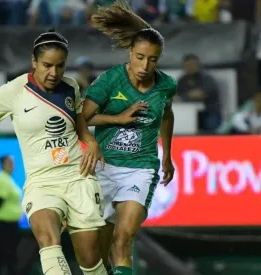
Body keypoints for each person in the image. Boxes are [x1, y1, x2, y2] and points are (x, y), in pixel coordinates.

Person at [0, 29, 109, 275]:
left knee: (90, 262)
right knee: (48, 240)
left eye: (60, 66)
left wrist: (92, 142)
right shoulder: (13, 91)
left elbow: (79, 125)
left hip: (78, 177)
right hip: (41, 182)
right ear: (34, 62)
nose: (53, 73)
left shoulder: (71, 87)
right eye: (47, 65)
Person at [82, 2, 176, 274]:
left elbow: (166, 116)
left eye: (153, 59)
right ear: (130, 53)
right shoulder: (110, 80)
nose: (145, 65)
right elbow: (81, 117)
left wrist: (167, 155)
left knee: (123, 241)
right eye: (140, 57)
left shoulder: (167, 85)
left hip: (141, 169)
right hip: (103, 169)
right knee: (97, 255)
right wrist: (116, 120)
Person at [0, 155, 22, 275]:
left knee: (7, 254)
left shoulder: (8, 179)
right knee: (4, 255)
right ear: (3, 164)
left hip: (11, 223)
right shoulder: (2, 179)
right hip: (4, 224)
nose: (12, 165)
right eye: (9, 163)